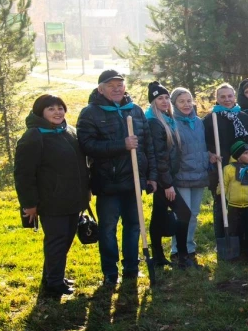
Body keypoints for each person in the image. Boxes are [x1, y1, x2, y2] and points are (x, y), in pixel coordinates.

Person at [77, 70, 158, 286]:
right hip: (108, 183)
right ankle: (110, 273)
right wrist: (121, 145)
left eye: (120, 84)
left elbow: (148, 146)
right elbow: (87, 146)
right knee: (107, 229)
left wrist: (151, 176)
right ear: (100, 89)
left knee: (134, 226)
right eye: (111, 85)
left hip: (134, 181)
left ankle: (131, 268)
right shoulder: (90, 113)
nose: (117, 88)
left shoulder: (135, 111)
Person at [14, 95, 90, 297]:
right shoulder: (34, 136)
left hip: (73, 200)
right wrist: (29, 205)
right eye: (51, 109)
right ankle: (54, 284)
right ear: (41, 112)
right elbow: (24, 174)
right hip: (51, 202)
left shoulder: (69, 132)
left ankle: (53, 276)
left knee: (65, 241)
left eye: (60, 108)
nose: (57, 112)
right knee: (56, 241)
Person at [203, 83, 248, 242]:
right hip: (220, 168)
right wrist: (209, 153)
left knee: (244, 204)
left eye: (230, 96)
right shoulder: (210, 119)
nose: (227, 100)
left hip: (243, 169)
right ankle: (223, 239)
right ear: (217, 99)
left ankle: (243, 240)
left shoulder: (243, 117)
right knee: (221, 204)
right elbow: (202, 143)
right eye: (222, 97)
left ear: (234, 97)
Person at [169, 87, 211, 269]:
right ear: (174, 104)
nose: (186, 105)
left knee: (194, 214)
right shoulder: (172, 124)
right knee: (182, 215)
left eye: (188, 101)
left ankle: (189, 246)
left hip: (199, 174)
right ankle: (177, 250)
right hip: (182, 175)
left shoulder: (199, 122)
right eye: (181, 101)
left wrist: (209, 156)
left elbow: (202, 146)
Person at [145, 81, 183, 268]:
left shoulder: (168, 120)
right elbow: (159, 156)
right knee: (183, 213)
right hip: (161, 179)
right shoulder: (154, 122)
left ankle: (159, 256)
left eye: (167, 98)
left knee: (158, 215)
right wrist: (167, 184)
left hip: (167, 176)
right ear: (153, 102)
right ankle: (182, 256)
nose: (165, 101)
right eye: (160, 98)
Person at [224, 141, 248, 260]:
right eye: (246, 153)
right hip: (234, 206)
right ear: (238, 156)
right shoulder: (229, 169)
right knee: (235, 230)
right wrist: (220, 193)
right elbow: (224, 184)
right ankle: (236, 253)